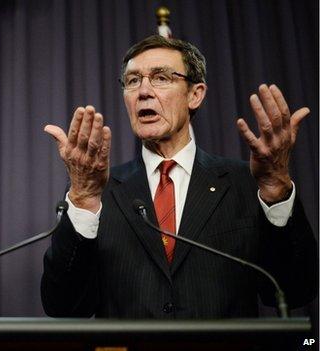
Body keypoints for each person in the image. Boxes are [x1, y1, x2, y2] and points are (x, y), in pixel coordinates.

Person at [41, 35, 317, 318]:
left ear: (195, 94)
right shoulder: (98, 192)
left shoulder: (243, 183)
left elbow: (294, 290)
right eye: (133, 80)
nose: (143, 91)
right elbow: (63, 305)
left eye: (160, 78)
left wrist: (277, 189)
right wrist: (84, 198)